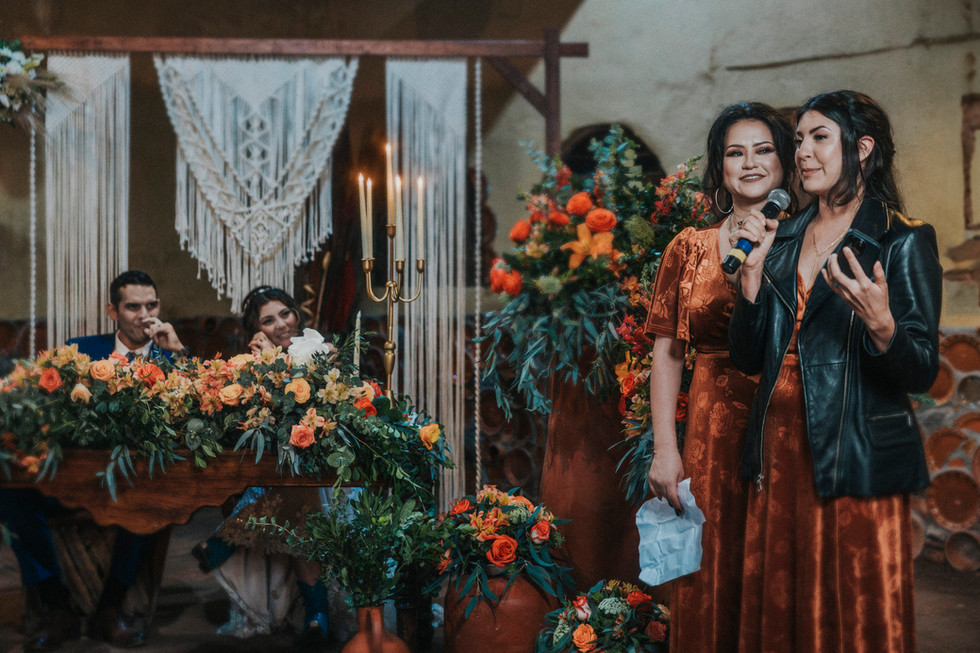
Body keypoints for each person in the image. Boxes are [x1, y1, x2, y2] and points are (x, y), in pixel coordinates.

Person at [729, 90, 941, 652]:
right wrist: (749, 284)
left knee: (851, 609)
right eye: (799, 139)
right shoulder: (781, 235)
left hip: (854, 451)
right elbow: (748, 359)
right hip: (778, 452)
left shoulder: (901, 238)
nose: (802, 152)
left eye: (819, 137)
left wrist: (883, 326)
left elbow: (922, 371)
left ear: (862, 148)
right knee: (784, 604)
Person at [644, 102, 795, 652]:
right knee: (712, 568)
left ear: (785, 162)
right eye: (736, 152)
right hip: (712, 434)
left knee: (780, 567)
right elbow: (668, 355)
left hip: (788, 424)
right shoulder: (689, 248)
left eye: (763, 150)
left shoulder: (809, 240)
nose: (750, 163)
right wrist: (666, 448)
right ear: (720, 167)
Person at [0, 269, 187, 651]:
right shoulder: (80, 350)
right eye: (133, 307)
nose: (145, 315)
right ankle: (55, 603)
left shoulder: (172, 354)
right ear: (112, 311)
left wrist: (177, 352)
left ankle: (110, 607)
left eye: (151, 305)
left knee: (154, 496)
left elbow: (196, 406)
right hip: (73, 480)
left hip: (136, 482)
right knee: (11, 494)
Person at [192, 286, 343, 646]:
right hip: (281, 467)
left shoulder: (323, 349)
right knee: (295, 489)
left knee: (297, 485)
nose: (282, 324)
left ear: (297, 313)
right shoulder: (255, 361)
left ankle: (225, 541)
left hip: (326, 462)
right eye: (269, 321)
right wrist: (262, 366)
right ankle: (317, 617)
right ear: (257, 330)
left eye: (285, 313)